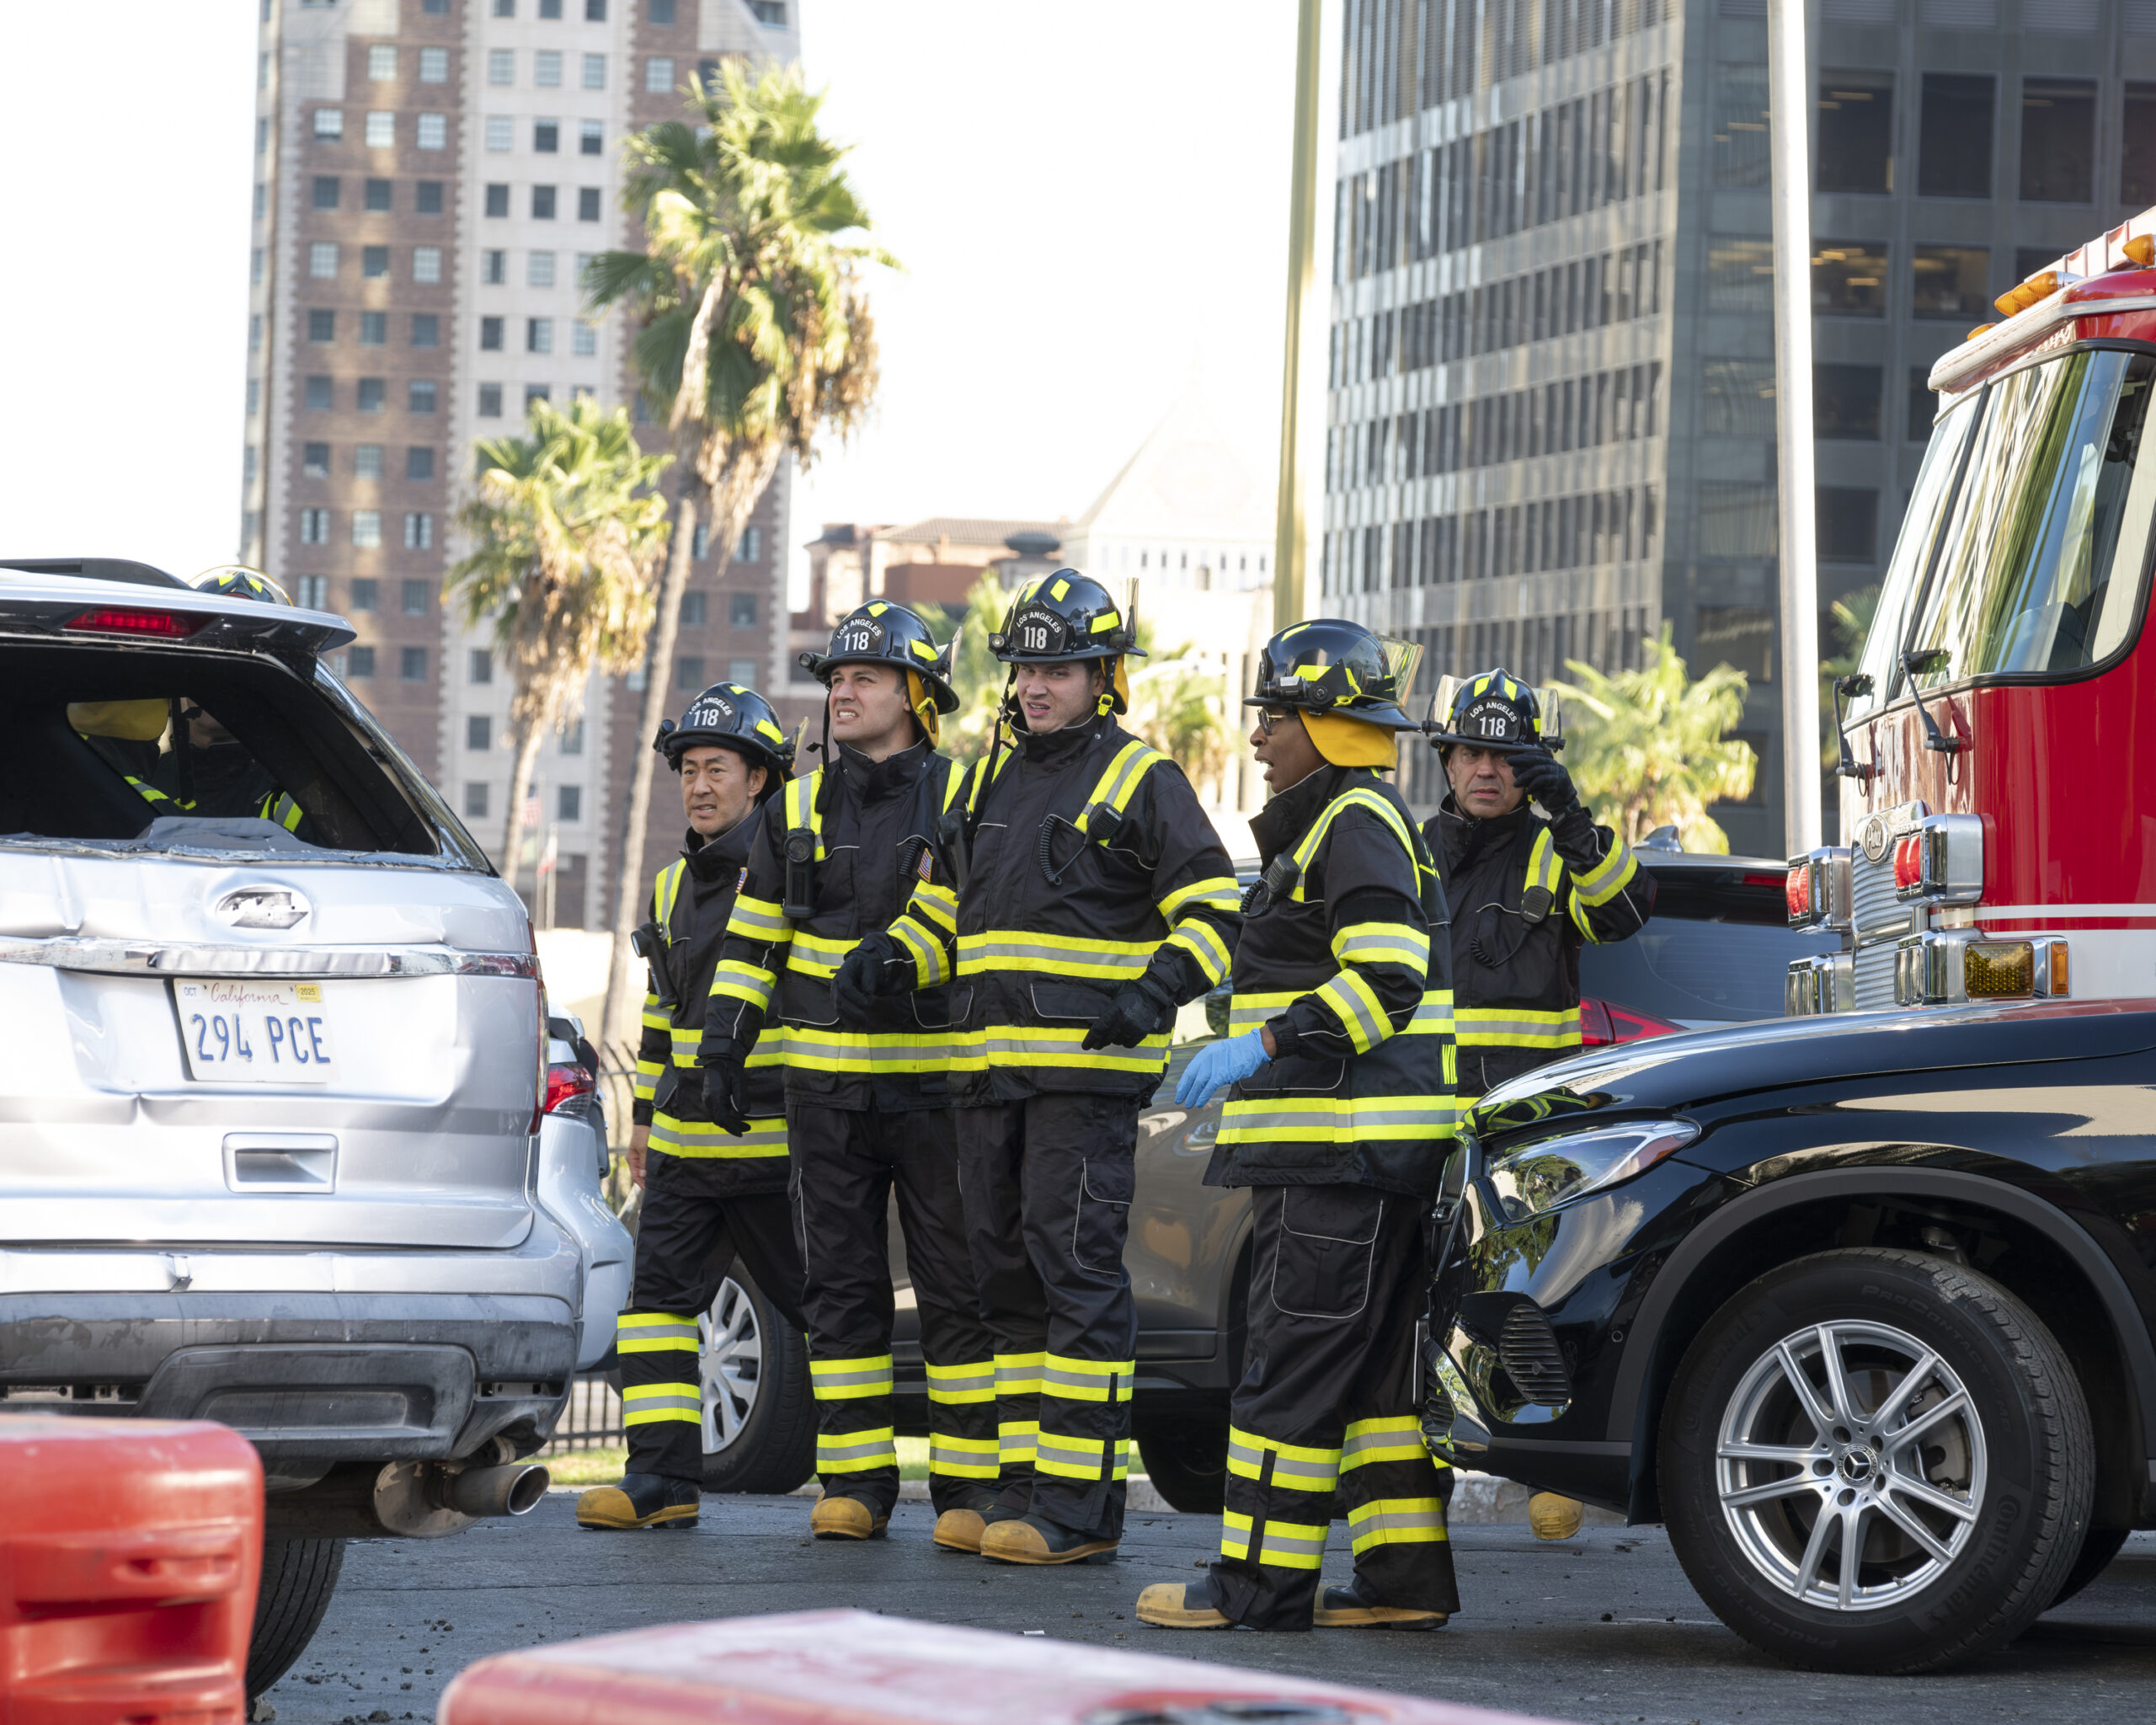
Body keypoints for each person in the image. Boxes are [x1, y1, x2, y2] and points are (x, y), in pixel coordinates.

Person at [1133, 619, 1460, 1633]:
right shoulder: (1341, 820)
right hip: (1359, 1161)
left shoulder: (1352, 820)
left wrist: (1262, 1046)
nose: (1261, 735)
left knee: (1285, 1371)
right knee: (1367, 1383)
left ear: (1328, 722)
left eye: (1276, 715)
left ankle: (1255, 1587)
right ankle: (1402, 1583)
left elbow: (1386, 979)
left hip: (1340, 1161)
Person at [909, 569, 1242, 1567]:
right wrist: (898, 952)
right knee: (1003, 1281)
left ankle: (1079, 1505)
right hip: (986, 1075)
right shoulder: (979, 782)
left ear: (1104, 674)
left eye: (1058, 667)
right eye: (1025, 667)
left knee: (1077, 1278)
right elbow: (944, 909)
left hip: (1085, 1083)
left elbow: (1217, 908)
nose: (1037, 684)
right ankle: (1020, 1486)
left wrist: (1157, 988)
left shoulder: (1144, 781)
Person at [702, 602, 1001, 1552]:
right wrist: (722, 1044)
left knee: (955, 1290)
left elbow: (979, 925)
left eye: (864, 678)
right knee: (841, 1291)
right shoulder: (792, 808)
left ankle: (965, 1486)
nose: (842, 691)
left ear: (916, 697)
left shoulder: (962, 797)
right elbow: (753, 942)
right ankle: (857, 1483)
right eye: (835, 678)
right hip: (824, 1097)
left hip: (935, 1095)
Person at [1423, 667, 1653, 1540]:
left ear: (1534, 766)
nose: (1488, 769)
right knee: (1417, 1303)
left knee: (1536, 1300)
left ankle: (1552, 1470)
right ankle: (1411, 1474)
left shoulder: (1560, 848)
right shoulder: (1407, 849)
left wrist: (1575, 819)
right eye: (1472, 751)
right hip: (1422, 1126)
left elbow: (1625, 910)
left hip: (1529, 1131)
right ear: (1445, 758)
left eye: (1509, 755)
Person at [574, 681, 802, 1532]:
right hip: (683, 1150)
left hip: (777, 1147)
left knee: (830, 1308)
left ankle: (864, 1487)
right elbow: (662, 1016)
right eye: (690, 770)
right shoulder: (671, 886)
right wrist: (641, 1132)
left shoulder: (791, 871)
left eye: (718, 768)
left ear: (761, 781)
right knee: (655, 1308)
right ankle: (660, 1477)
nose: (700, 785)